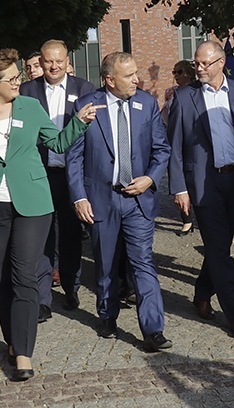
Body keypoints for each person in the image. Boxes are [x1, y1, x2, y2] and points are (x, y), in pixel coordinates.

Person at [0, 49, 100, 382]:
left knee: (24, 274)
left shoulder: (30, 107)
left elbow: (55, 143)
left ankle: (23, 353)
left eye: (18, 77)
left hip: (32, 204)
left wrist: (78, 124)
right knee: (2, 278)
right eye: (12, 79)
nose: (19, 82)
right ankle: (13, 340)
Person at [67, 52, 173, 352]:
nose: (137, 80)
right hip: (102, 197)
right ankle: (107, 315)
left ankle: (153, 329)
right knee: (106, 263)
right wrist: (79, 196)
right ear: (110, 80)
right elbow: (74, 156)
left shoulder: (147, 104)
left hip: (138, 199)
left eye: (137, 73)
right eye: (129, 76)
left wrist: (150, 178)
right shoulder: (86, 106)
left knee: (143, 263)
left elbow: (161, 149)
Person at [167, 41, 234, 339]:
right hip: (204, 184)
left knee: (220, 245)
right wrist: (179, 188)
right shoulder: (184, 97)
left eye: (206, 63)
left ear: (221, 63)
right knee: (220, 250)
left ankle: (202, 291)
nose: (200, 68)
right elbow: (175, 147)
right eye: (197, 63)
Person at [19, 39, 96, 316]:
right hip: (38, 174)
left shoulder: (84, 89)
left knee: (72, 234)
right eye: (48, 61)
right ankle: (42, 298)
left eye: (58, 61)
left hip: (72, 175)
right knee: (42, 236)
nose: (53, 66)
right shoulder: (26, 91)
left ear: (67, 61)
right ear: (40, 62)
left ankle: (71, 286)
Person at [162, 59, 197, 236]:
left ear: (189, 73)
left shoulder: (198, 90)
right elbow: (164, 115)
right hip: (176, 136)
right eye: (173, 72)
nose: (175, 76)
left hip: (193, 141)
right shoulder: (171, 93)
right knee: (180, 180)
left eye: (179, 72)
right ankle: (186, 220)